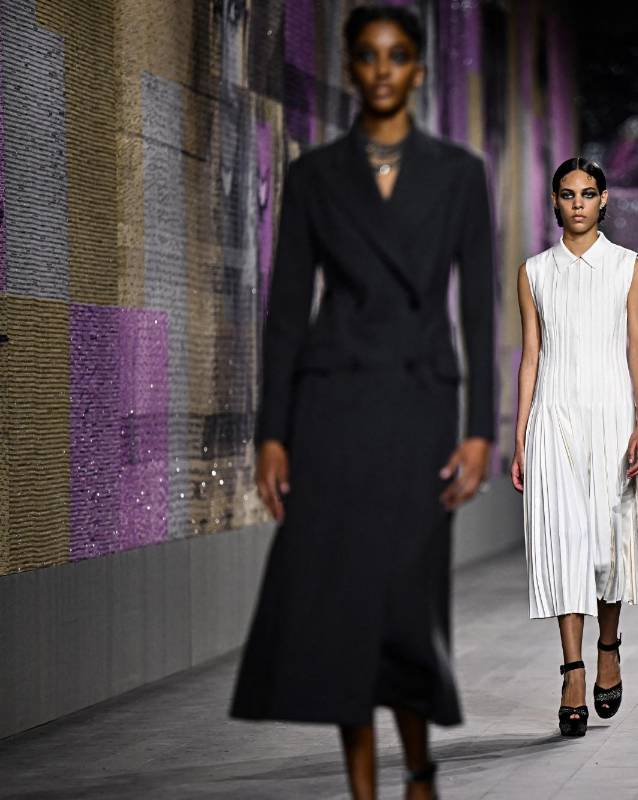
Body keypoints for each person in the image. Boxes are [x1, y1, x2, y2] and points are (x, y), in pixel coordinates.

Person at [230, 8, 495, 800]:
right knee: (344, 598)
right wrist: (272, 434)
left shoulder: (458, 173)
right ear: (352, 68)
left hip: (418, 411)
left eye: (399, 56)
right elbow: (283, 316)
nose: (383, 70)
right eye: (369, 57)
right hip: (335, 410)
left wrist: (481, 430)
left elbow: (478, 310)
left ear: (417, 70)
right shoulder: (315, 175)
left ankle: (418, 767)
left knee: (405, 595)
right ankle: (364, 787)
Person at [510, 157, 638, 737]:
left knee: (607, 547)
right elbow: (530, 356)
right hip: (553, 417)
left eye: (588, 194)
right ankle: (573, 670)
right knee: (563, 542)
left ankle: (609, 646)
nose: (577, 204)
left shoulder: (627, 267)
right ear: (553, 200)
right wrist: (519, 436)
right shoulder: (534, 271)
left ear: (604, 200)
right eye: (567, 194)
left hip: (612, 417)